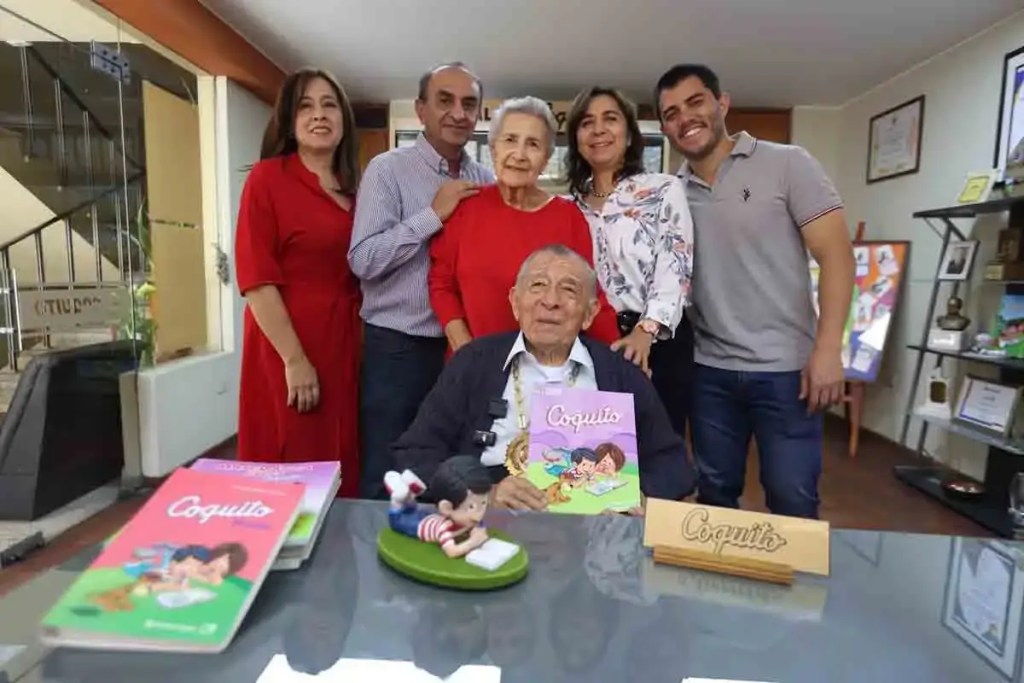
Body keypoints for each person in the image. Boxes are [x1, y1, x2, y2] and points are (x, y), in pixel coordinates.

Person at [655, 64, 855, 519]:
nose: (685, 118)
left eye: (695, 102)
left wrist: (829, 350)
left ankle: (796, 570)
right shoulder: (671, 194)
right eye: (671, 113)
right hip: (709, 372)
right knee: (714, 497)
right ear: (665, 127)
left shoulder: (788, 163)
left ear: (722, 103)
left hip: (788, 371)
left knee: (793, 498)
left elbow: (838, 257)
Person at [393, 245, 697, 511]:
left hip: (591, 526)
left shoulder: (619, 374)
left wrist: (639, 496)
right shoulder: (474, 362)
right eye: (538, 285)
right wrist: (480, 494)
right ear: (515, 302)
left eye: (569, 290)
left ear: (590, 313)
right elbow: (414, 454)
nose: (550, 301)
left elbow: (672, 463)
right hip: (489, 516)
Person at [348, 62, 494, 500]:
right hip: (398, 349)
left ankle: (438, 539)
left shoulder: (485, 180)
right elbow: (363, 260)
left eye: (469, 103)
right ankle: (377, 546)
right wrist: (432, 215)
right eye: (444, 100)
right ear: (421, 110)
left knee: (451, 470)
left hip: (462, 348)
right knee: (388, 470)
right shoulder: (387, 170)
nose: (458, 113)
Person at [234, 68, 362, 497]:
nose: (319, 114)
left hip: (344, 342)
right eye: (305, 106)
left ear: (343, 119)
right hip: (288, 342)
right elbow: (256, 279)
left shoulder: (357, 189)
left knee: (342, 456)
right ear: (289, 122)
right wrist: (294, 359)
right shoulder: (267, 179)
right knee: (293, 458)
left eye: (329, 105)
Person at [428, 96, 620, 353]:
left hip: (547, 366)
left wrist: (618, 358)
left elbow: (588, 293)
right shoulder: (465, 207)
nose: (519, 155)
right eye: (510, 140)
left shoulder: (568, 217)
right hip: (472, 360)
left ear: (545, 159)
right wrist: (467, 352)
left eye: (533, 144)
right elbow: (441, 285)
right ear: (493, 149)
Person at [564, 86, 695, 438]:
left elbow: (675, 263)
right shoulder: (568, 207)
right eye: (587, 122)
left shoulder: (663, 188)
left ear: (629, 133)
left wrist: (644, 333)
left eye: (610, 119)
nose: (598, 130)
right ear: (575, 137)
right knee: (593, 453)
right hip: (589, 343)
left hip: (657, 343)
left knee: (654, 450)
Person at [384, 455, 491, 558]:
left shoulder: (472, 520)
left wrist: (478, 532)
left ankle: (411, 491)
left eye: (483, 503)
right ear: (447, 508)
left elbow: (480, 528)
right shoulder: (444, 530)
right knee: (398, 521)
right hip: (419, 527)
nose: (478, 515)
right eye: (471, 507)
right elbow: (452, 552)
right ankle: (397, 499)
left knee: (413, 508)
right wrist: (473, 542)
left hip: (432, 517)